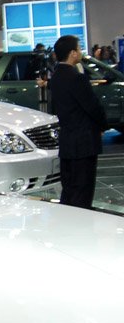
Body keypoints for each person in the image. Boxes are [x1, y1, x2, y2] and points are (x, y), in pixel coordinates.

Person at [49, 35, 107, 209]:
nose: (80, 52)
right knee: (83, 191)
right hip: (84, 142)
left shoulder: (55, 77)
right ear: (72, 53)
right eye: (79, 49)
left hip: (67, 141)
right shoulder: (76, 78)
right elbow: (92, 106)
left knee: (68, 189)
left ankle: (67, 222)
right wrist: (102, 125)